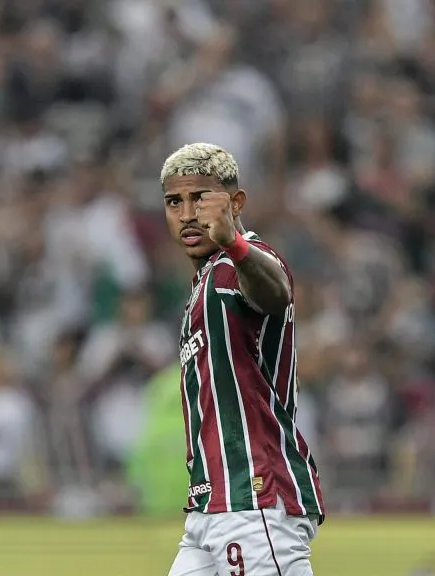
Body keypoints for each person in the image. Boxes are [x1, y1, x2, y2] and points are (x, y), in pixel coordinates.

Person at [162, 143, 324, 576]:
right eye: (174, 201)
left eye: (200, 198)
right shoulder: (204, 282)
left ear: (235, 203)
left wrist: (233, 242)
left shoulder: (243, 262)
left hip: (254, 497)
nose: (187, 213)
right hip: (210, 504)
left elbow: (276, 294)